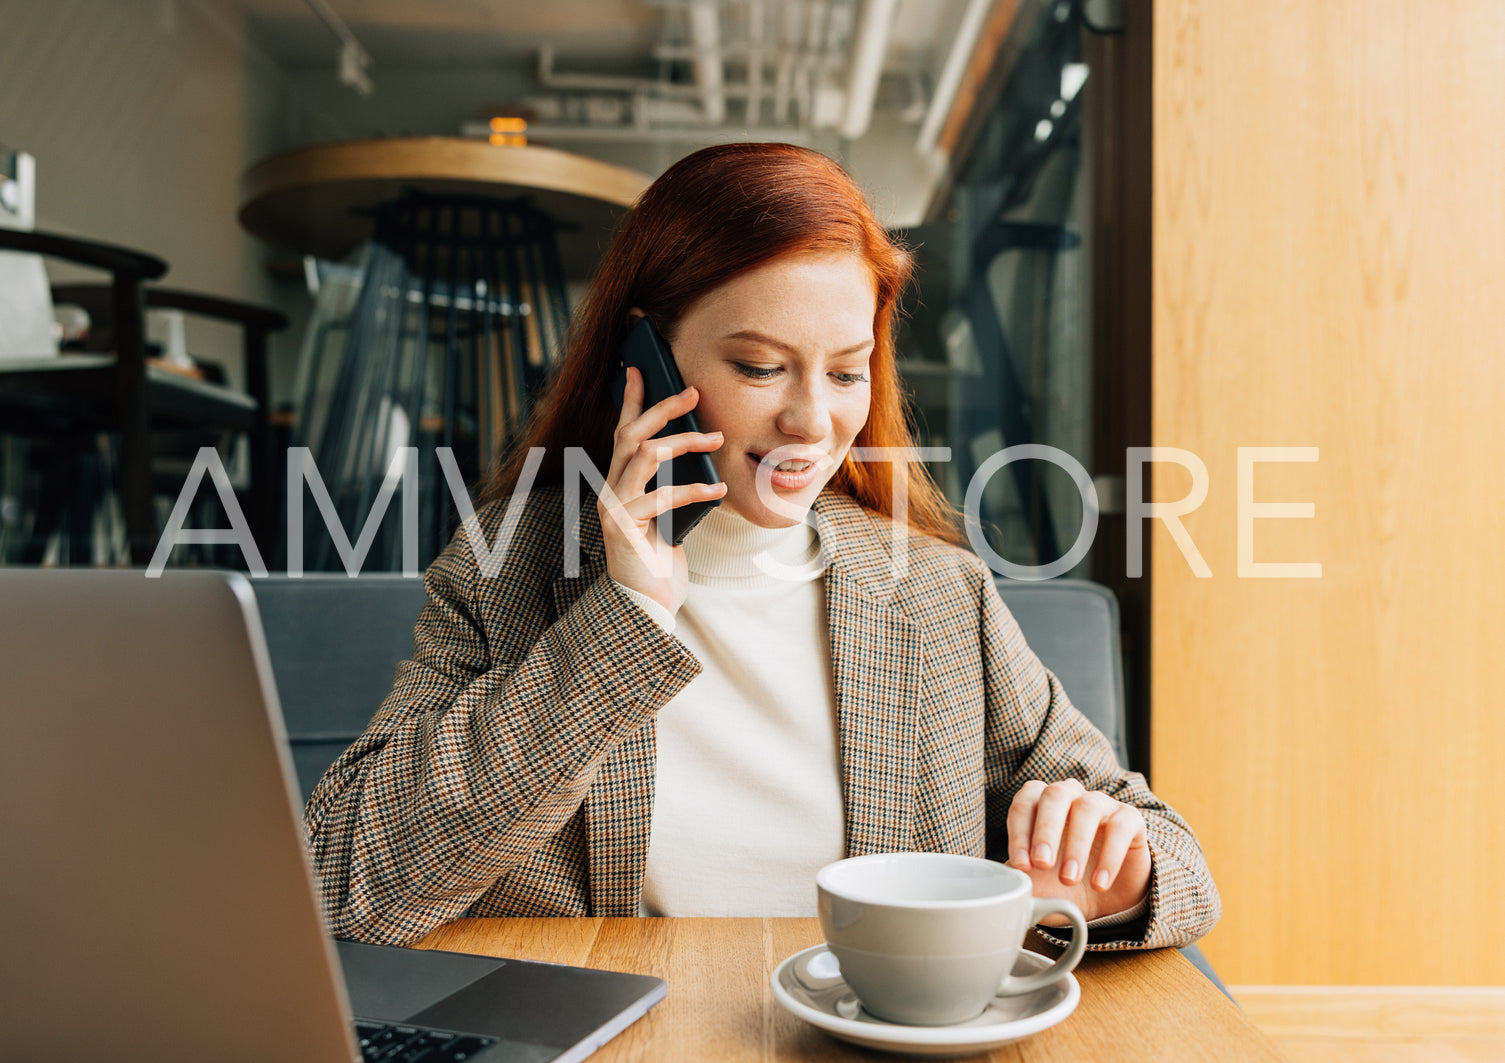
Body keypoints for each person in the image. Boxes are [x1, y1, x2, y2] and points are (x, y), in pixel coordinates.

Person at [304, 143, 1220, 951]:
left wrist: (1111, 875)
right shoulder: (511, 565)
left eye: (846, 371)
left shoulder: (937, 593)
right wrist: (622, 618)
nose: (811, 420)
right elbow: (346, 881)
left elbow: (1178, 864)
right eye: (758, 366)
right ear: (646, 359)